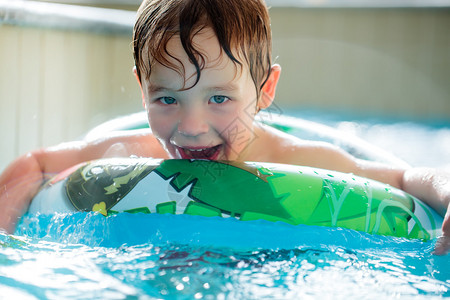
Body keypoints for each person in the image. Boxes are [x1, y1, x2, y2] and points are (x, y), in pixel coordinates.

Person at [0, 0, 449, 254]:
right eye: (167, 99)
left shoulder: (296, 160)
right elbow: (37, 163)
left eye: (219, 99)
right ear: (142, 91)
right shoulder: (129, 154)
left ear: (265, 89)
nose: (191, 127)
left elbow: (403, 178)